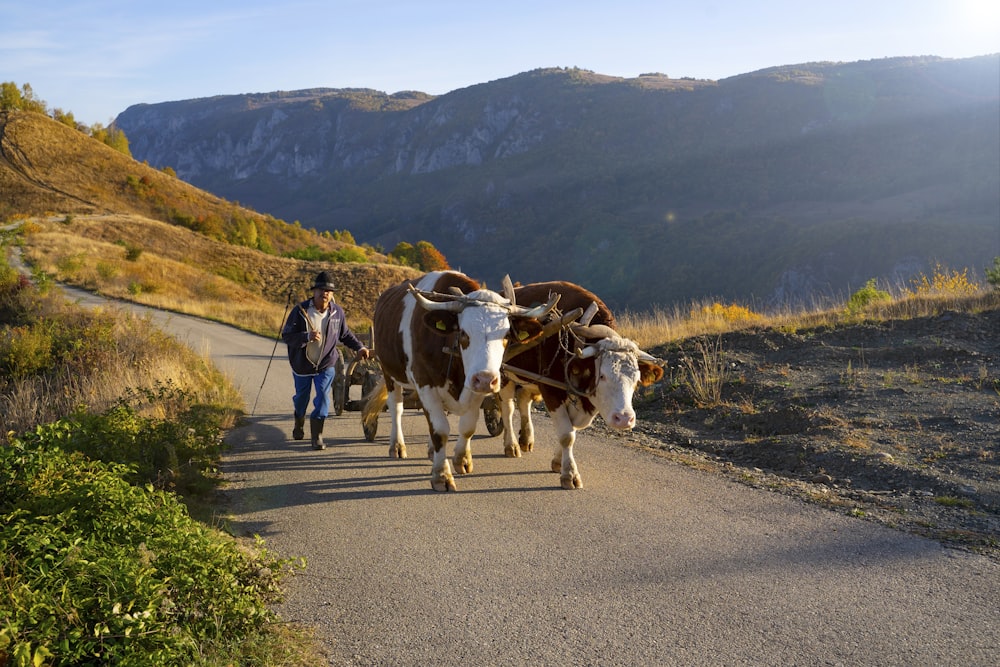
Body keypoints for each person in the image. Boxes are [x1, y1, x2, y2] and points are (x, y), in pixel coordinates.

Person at [282, 271, 370, 449]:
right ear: (314, 291)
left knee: (322, 398)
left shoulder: (337, 312)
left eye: (329, 291)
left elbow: (345, 335)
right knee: (301, 399)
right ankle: (299, 420)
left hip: (325, 363)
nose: (325, 294)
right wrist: (306, 336)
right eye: (322, 290)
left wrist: (360, 347)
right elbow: (287, 336)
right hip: (302, 365)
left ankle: (317, 437)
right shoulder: (300, 312)